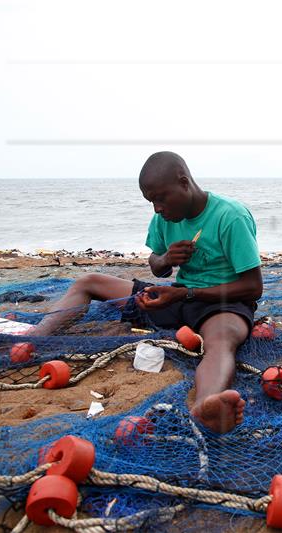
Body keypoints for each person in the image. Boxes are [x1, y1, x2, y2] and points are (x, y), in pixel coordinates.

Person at [27, 151, 263, 433]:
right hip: (176, 297)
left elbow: (253, 287)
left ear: (184, 182)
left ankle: (207, 405)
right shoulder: (165, 219)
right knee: (89, 280)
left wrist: (187, 294)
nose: (157, 209)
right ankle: (34, 339)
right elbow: (156, 267)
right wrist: (166, 260)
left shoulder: (230, 216)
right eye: (151, 201)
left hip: (223, 305)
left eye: (161, 198)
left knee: (221, 341)